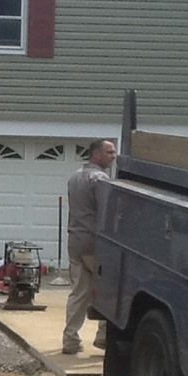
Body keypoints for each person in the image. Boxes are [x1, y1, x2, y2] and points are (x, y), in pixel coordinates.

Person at [62, 139, 117, 354]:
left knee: (79, 292)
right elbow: (107, 211)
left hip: (75, 240)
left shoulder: (75, 177)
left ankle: (70, 340)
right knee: (110, 289)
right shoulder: (99, 179)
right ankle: (104, 335)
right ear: (96, 155)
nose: (114, 156)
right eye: (109, 152)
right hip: (94, 243)